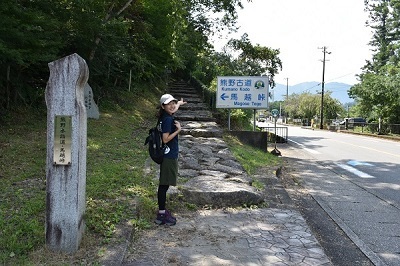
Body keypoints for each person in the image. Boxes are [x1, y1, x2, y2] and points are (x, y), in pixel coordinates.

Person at [155, 94, 186, 225]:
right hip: (168, 156)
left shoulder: (164, 116)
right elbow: (165, 139)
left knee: (164, 184)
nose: (172, 105)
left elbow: (173, 108)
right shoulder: (168, 120)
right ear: (163, 106)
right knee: (163, 185)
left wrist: (179, 103)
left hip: (166, 155)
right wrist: (178, 130)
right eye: (169, 103)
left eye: (173, 103)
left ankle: (162, 212)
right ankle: (161, 215)